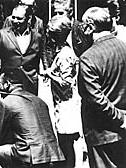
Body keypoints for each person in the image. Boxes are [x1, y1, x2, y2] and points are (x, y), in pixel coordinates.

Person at [78, 6, 126, 168]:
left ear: (91, 27)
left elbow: (95, 99)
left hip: (101, 132)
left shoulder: (88, 58)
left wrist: (121, 118)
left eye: (84, 26)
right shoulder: (124, 48)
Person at [0, 70, 65, 168]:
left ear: (7, 84)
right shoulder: (40, 100)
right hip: (55, 155)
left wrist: (1, 103)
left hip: (30, 157)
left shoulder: (6, 103)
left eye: (0, 84)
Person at [45, 15, 83, 168]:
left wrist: (49, 74)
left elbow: (66, 83)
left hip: (66, 104)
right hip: (63, 102)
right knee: (65, 142)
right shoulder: (65, 50)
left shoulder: (65, 55)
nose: (49, 36)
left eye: (52, 33)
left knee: (66, 142)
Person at [0, 4, 49, 96]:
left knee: (30, 109)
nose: (15, 21)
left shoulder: (37, 37)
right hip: (9, 83)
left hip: (30, 83)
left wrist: (46, 69)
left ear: (28, 18)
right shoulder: (1, 35)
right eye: (13, 17)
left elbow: (43, 53)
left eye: (19, 18)